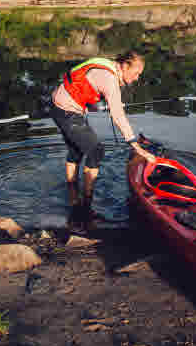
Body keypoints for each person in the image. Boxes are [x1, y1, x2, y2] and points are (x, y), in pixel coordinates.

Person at [50, 51, 156, 220]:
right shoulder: (110, 79)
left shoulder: (108, 68)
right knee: (96, 150)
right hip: (66, 111)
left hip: (58, 106)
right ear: (125, 66)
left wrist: (106, 103)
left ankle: (72, 194)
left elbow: (88, 88)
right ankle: (86, 204)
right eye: (136, 73)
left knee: (77, 150)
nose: (137, 78)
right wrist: (136, 146)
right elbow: (118, 116)